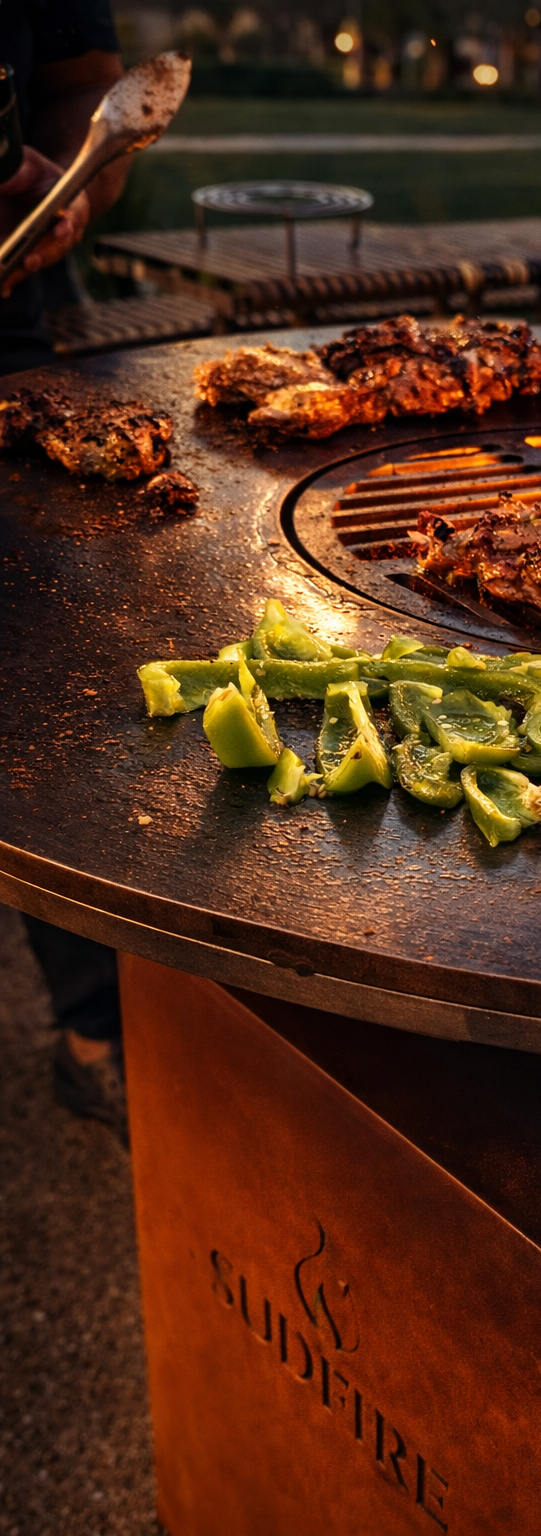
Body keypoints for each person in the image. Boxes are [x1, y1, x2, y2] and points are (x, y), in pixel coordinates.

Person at [2, 0, 132, 1139]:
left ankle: (97, 1026)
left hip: (10, 328)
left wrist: (76, 183)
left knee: (51, 681)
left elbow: (91, 83)